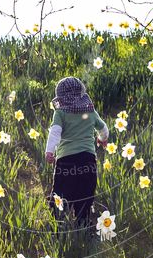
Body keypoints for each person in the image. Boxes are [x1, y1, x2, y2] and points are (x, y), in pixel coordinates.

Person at [45, 76, 108, 229]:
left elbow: (55, 132)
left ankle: (58, 224)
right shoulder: (90, 111)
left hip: (66, 161)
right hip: (88, 161)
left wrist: (49, 151)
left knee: (61, 193)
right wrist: (102, 139)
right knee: (85, 195)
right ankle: (83, 224)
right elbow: (103, 129)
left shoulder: (60, 113)